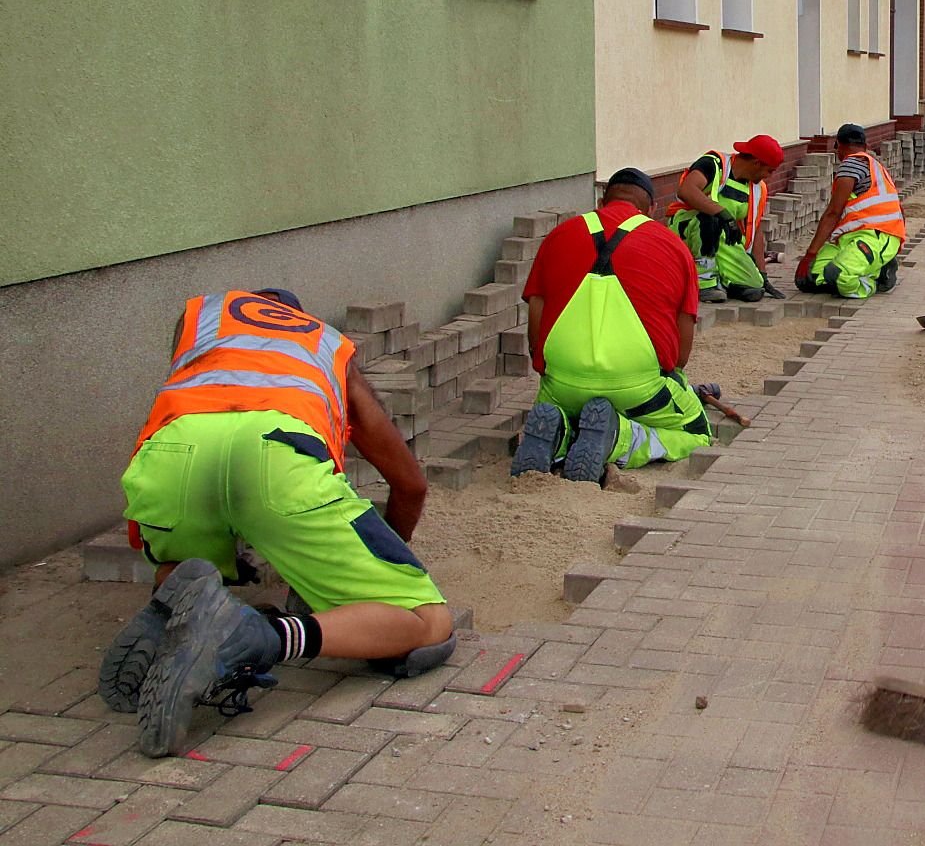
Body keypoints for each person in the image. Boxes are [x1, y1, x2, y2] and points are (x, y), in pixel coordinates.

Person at [104, 289, 456, 758]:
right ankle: (259, 637)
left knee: (188, 561)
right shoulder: (325, 346)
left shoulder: (201, 321)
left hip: (172, 455)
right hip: (275, 458)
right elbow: (410, 486)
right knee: (426, 622)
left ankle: (180, 608)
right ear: (296, 316)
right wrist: (361, 577)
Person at [514, 168, 713, 483]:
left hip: (561, 382)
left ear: (600, 201)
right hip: (638, 384)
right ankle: (620, 438)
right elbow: (681, 353)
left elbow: (536, 311)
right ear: (651, 209)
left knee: (568, 406)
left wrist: (544, 364)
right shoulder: (673, 246)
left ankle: (561, 434)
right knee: (697, 432)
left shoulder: (559, 235)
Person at [666, 134, 787, 304]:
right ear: (756, 163)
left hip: (723, 238)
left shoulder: (757, 189)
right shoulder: (714, 164)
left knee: (754, 286)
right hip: (688, 229)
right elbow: (686, 190)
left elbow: (756, 229)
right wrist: (722, 213)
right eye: (770, 170)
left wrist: (763, 274)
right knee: (708, 219)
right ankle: (705, 283)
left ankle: (719, 280)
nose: (770, 176)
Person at [795, 123, 905, 299]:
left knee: (839, 276)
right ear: (866, 146)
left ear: (838, 145)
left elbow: (833, 213)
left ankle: (874, 280)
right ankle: (872, 266)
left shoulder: (850, 165)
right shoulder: (876, 166)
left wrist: (810, 254)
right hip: (848, 238)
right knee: (811, 279)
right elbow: (900, 209)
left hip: (876, 237)